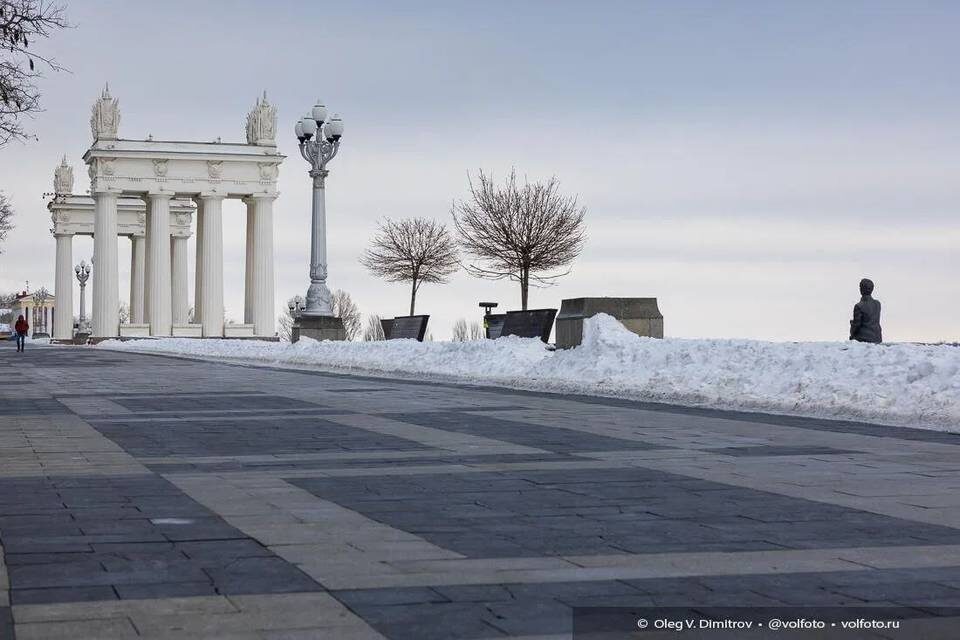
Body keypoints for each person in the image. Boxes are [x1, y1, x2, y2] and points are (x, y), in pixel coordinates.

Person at [849, 278, 882, 343]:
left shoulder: (859, 306)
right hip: (877, 338)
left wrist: (852, 329)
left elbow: (856, 325)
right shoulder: (878, 304)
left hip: (864, 338)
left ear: (861, 289)